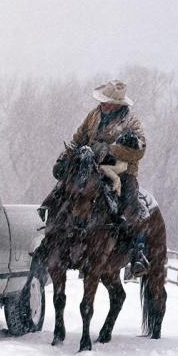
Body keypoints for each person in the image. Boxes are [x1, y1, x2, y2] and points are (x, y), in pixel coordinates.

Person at [41, 80, 148, 273]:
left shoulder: (132, 122)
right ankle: (49, 230)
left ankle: (138, 253)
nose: (104, 104)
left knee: (131, 203)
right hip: (90, 166)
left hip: (120, 171)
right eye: (103, 101)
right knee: (62, 189)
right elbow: (79, 137)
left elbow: (139, 151)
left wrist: (110, 150)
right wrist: (65, 158)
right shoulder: (94, 115)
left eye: (108, 102)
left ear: (119, 104)